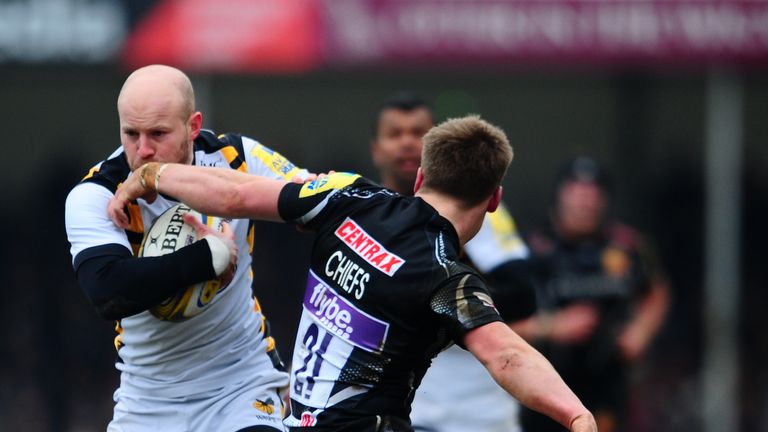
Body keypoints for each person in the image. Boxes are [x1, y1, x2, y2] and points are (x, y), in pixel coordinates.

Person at [108, 115, 598, 432]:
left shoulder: (346, 196)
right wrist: (576, 416)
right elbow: (507, 356)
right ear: (493, 200)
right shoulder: (447, 278)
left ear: (422, 177)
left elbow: (237, 194)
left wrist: (152, 175)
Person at [64, 64, 308, 432]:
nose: (143, 150)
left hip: (240, 388)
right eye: (131, 133)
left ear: (193, 126)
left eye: (158, 133)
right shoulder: (95, 194)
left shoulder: (235, 157)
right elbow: (109, 291)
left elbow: (319, 201)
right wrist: (208, 258)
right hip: (148, 402)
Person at [369, 93, 535, 432]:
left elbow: (522, 296)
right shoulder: (364, 213)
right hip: (401, 411)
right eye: (394, 133)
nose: (406, 143)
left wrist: (444, 286)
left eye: (418, 133)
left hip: (479, 410)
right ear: (376, 149)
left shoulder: (480, 210)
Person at [512, 156, 671, 432]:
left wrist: (640, 332)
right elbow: (496, 322)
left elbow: (657, 290)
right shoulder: (530, 249)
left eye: (593, 194)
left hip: (607, 383)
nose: (585, 202)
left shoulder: (627, 246)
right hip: (544, 384)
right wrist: (552, 326)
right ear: (559, 197)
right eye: (576, 193)